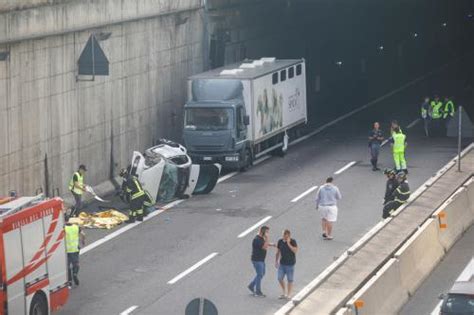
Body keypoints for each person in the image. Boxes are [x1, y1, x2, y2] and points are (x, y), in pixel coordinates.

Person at [248, 226, 272, 297]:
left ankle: (251, 285)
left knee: (262, 273)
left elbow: (264, 244)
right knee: (260, 274)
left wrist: (272, 244)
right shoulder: (256, 239)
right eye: (267, 232)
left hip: (261, 259)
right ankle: (258, 291)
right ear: (263, 232)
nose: (268, 233)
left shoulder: (261, 238)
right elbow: (264, 246)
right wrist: (267, 238)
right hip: (257, 260)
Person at [275, 229, 298, 299]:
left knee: (290, 279)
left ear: (288, 236)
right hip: (282, 264)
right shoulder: (280, 241)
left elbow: (295, 251)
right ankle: (284, 292)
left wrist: (288, 244)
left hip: (290, 264)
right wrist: (276, 261)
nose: (283, 237)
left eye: (285, 236)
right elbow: (278, 252)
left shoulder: (293, 241)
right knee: (279, 278)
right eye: (283, 235)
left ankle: (289, 294)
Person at [65, 219, 85, 287]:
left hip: (66, 251)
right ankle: (75, 274)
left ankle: (69, 281)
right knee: (75, 264)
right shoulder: (76, 227)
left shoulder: (63, 228)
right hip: (75, 249)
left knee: (67, 266)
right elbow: (83, 234)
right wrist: (83, 241)